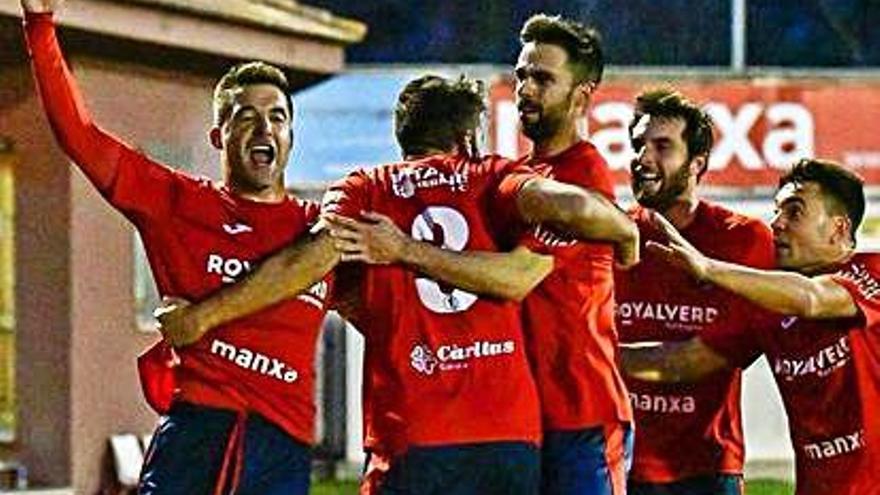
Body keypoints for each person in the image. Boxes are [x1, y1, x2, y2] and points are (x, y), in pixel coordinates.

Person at [159, 73, 638, 494]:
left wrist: (205, 315)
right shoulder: (493, 179)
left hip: (412, 431)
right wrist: (624, 229)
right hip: (507, 436)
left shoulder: (366, 188)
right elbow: (575, 209)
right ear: (470, 137)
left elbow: (309, 264)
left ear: (402, 136)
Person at [21, 1, 333, 493]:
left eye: (277, 117)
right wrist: (40, 28)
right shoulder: (176, 202)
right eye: (246, 116)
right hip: (203, 432)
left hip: (285, 446)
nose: (264, 128)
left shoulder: (323, 229)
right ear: (218, 135)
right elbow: (80, 137)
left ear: (291, 137)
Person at [626, 158, 880, 495]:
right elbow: (681, 362)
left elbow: (812, 298)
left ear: (839, 228)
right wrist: (592, 352)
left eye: (794, 212)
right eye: (777, 211)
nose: (776, 223)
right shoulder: (766, 304)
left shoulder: (870, 271)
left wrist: (708, 268)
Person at [614, 89, 775, 495]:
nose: (643, 158)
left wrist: (587, 354)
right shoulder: (610, 234)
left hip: (707, 469)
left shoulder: (744, 240)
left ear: (697, 163)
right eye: (638, 145)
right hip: (621, 462)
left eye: (662, 146)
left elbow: (695, 360)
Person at [512, 13, 633, 495]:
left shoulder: (582, 175)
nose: (526, 89)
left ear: (582, 95)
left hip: (584, 411)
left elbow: (516, 277)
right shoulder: (523, 175)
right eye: (522, 75)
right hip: (528, 416)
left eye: (543, 79)